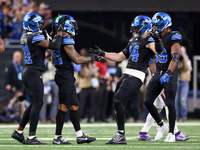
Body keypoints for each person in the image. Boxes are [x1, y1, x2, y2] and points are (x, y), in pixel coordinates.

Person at [89, 15, 163, 144]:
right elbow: (119, 56)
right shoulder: (134, 39)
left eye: (136, 28)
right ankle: (120, 134)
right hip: (126, 73)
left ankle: (121, 134)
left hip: (137, 74)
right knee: (117, 102)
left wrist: (158, 41)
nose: (134, 30)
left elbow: (159, 52)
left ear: (144, 27)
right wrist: (102, 53)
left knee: (118, 99)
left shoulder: (150, 40)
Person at [11, 12, 65, 144]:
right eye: (38, 23)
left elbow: (47, 42)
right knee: (38, 103)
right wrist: (59, 32)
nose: (41, 25)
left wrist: (52, 32)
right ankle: (31, 137)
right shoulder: (35, 37)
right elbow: (54, 46)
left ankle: (19, 132)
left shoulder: (26, 35)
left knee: (35, 103)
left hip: (29, 71)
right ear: (32, 24)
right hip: (33, 72)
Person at [51, 15, 99, 145]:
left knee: (73, 105)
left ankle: (80, 136)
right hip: (65, 75)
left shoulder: (56, 38)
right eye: (71, 24)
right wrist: (93, 58)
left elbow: (52, 60)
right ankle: (57, 137)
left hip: (63, 73)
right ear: (66, 25)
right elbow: (77, 59)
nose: (73, 27)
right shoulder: (66, 39)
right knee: (63, 106)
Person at [144, 12, 182, 142]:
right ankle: (161, 125)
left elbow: (175, 57)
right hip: (158, 72)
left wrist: (169, 73)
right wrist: (154, 72)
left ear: (165, 25)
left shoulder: (174, 36)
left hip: (169, 73)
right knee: (148, 101)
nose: (155, 27)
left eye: (157, 25)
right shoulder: (155, 37)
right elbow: (152, 57)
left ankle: (172, 133)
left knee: (170, 104)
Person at [137, 66, 190, 141]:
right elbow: (152, 64)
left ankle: (143, 132)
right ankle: (175, 132)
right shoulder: (158, 56)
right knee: (168, 105)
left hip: (159, 77)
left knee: (158, 107)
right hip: (161, 79)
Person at [175, 46, 192, 121]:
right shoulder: (176, 60)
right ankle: (176, 117)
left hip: (184, 81)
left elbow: (188, 68)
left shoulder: (187, 60)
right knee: (176, 100)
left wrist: (184, 57)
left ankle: (183, 116)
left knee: (183, 100)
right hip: (177, 81)